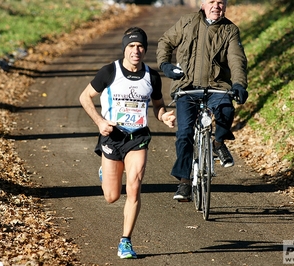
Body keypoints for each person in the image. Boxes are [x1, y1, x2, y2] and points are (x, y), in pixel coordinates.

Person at [79, 27, 176, 259]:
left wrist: (164, 116)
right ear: (125, 48)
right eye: (132, 46)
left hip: (137, 137)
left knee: (134, 185)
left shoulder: (151, 77)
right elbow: (85, 97)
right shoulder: (109, 72)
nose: (136, 50)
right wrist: (100, 121)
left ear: (145, 49)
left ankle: (126, 241)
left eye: (141, 46)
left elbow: (158, 105)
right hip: (113, 137)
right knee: (111, 196)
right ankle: (106, 169)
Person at [156, 0, 248, 201]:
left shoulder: (230, 30)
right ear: (202, 4)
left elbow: (236, 59)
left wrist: (239, 84)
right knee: (184, 133)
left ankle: (217, 143)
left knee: (226, 109)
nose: (217, 6)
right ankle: (184, 183)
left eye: (221, 2)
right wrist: (165, 65)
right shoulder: (187, 22)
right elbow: (165, 41)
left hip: (217, 86)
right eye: (212, 2)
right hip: (186, 87)